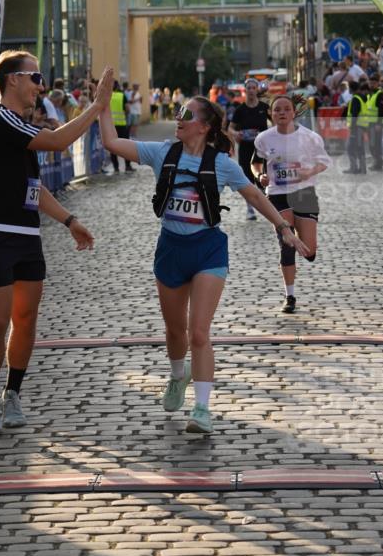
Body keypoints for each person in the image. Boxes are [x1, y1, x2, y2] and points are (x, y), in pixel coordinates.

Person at [98, 88, 307, 435]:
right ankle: (178, 377)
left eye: (186, 114)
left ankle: (202, 409)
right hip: (170, 248)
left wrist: (284, 227)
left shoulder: (221, 164)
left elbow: (254, 194)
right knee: (175, 331)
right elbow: (110, 142)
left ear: (206, 127)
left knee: (199, 332)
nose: (179, 118)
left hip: (208, 248)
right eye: (179, 113)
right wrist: (102, 106)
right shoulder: (162, 152)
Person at [0, 51, 113, 434]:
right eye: (36, 77)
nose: (41, 87)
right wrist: (97, 105)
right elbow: (58, 140)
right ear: (13, 79)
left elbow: (34, 187)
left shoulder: (21, 122)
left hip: (26, 235)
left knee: (26, 319)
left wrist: (69, 220)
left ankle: (12, 394)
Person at [252, 96, 330, 315]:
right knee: (286, 246)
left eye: (286, 109)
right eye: (277, 110)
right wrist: (260, 176)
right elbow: (255, 163)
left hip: (304, 193)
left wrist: (308, 172)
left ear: (294, 113)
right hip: (277, 195)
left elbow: (324, 161)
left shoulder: (310, 137)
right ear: (271, 113)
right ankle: (290, 296)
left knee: (309, 251)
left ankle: (300, 237)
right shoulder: (264, 138)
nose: (282, 113)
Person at [228, 77, 270, 219]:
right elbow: (230, 128)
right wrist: (236, 134)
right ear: (245, 91)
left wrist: (268, 134)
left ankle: (267, 207)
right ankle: (250, 209)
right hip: (245, 148)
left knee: (263, 177)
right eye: (249, 88)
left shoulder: (264, 108)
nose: (251, 91)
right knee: (247, 179)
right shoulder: (240, 110)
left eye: (254, 88)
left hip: (262, 149)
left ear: (257, 90)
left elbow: (276, 124)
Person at [343, 80, 369, 174]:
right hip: (361, 126)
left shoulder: (356, 99)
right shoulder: (362, 98)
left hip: (356, 127)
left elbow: (354, 115)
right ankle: (362, 168)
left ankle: (354, 168)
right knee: (359, 147)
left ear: (351, 89)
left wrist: (352, 128)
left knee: (350, 147)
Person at [109, 80, 134, 173]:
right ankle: (127, 166)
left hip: (111, 126)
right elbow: (127, 108)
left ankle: (116, 168)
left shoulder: (107, 96)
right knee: (125, 146)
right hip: (122, 124)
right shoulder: (121, 95)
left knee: (112, 146)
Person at [366, 73, 383, 171]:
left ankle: (378, 164)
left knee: (376, 144)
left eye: (373, 83)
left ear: (377, 83)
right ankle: (376, 162)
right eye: (370, 83)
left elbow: (381, 110)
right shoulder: (370, 93)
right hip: (369, 123)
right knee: (372, 144)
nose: (371, 85)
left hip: (376, 123)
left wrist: (379, 123)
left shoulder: (379, 94)